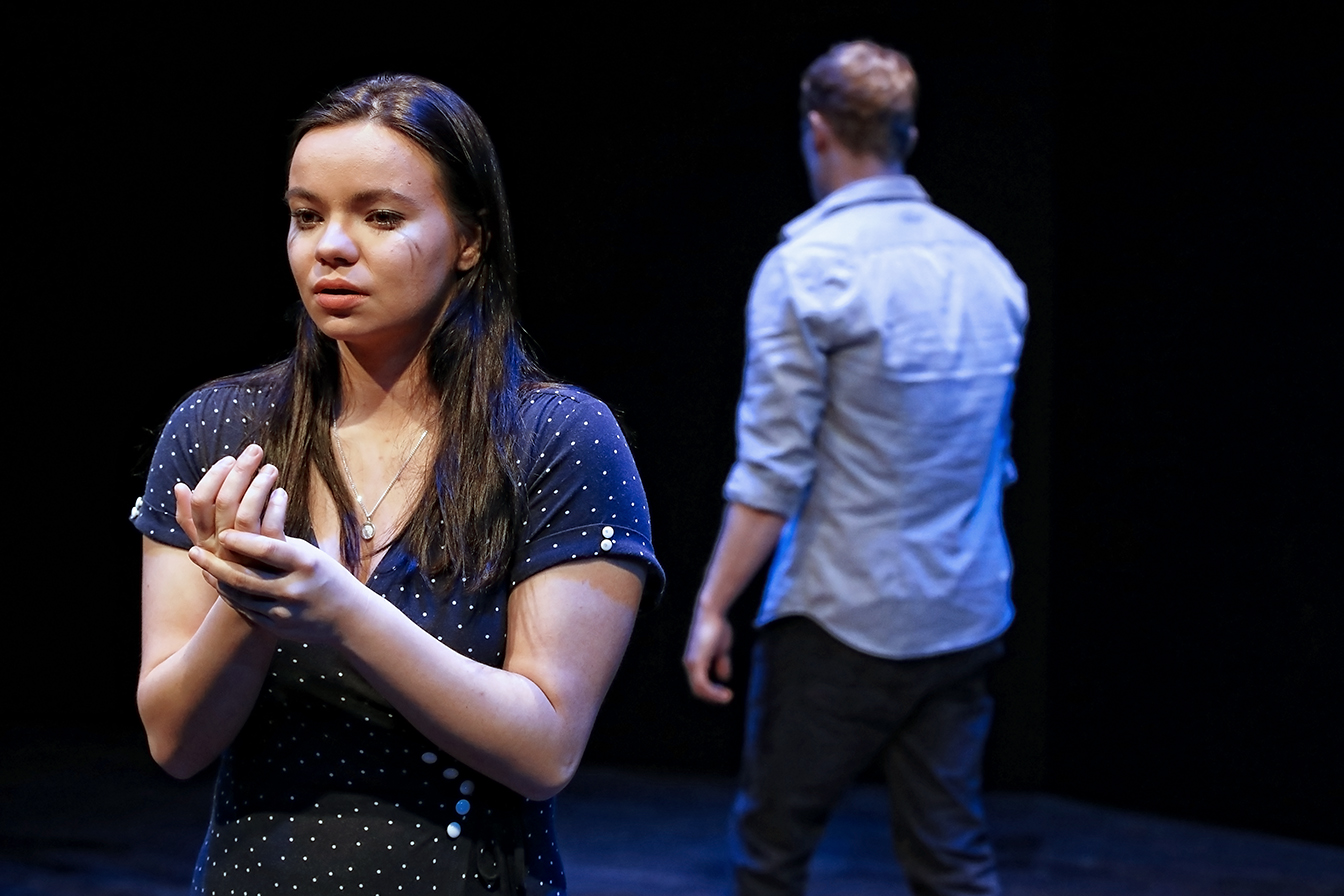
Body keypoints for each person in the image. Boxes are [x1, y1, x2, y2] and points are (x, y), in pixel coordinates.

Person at [131, 74, 663, 895]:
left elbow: (544, 750)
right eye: (307, 216)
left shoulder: (560, 439)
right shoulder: (219, 429)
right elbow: (175, 743)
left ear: (471, 239)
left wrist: (341, 611)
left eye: (381, 217)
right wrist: (249, 602)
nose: (330, 247)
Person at [682, 41, 1026, 896]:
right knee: (953, 858)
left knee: (772, 854)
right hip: (963, 610)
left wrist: (713, 605)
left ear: (818, 132)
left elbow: (770, 472)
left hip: (842, 619)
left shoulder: (807, 271)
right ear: (907, 134)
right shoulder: (991, 270)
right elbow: (997, 460)